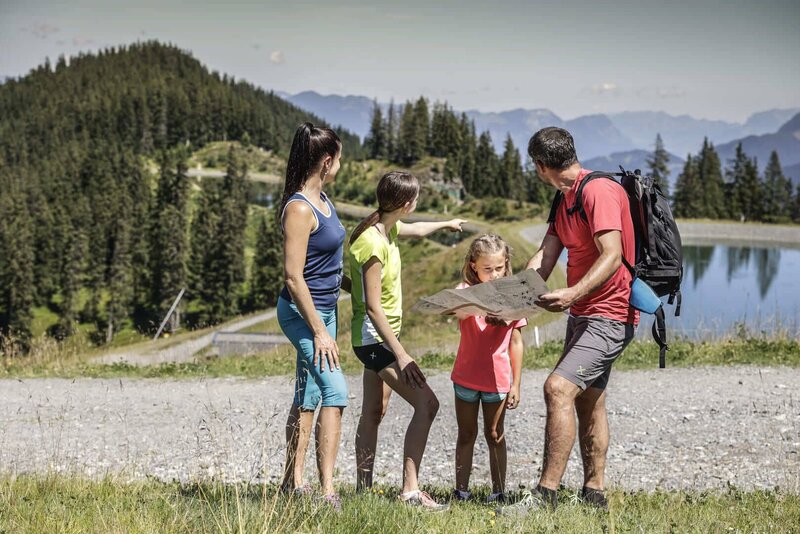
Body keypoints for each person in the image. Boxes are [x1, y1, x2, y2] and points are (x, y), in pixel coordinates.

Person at [500, 127, 637, 514]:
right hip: (583, 314)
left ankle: (545, 497)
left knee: (557, 389)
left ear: (541, 166)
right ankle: (595, 494)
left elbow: (612, 254)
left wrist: (573, 293)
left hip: (612, 313)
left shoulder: (598, 191)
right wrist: (508, 299)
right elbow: (544, 259)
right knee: (589, 401)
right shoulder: (564, 200)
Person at [349, 170, 465, 510]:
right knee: (427, 404)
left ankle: (363, 492)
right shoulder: (372, 243)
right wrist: (402, 356)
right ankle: (410, 491)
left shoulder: (387, 227)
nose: (416, 205)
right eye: (415, 199)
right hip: (375, 342)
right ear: (405, 203)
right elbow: (372, 307)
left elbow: (416, 229)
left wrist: (446, 224)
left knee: (374, 410)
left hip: (381, 338)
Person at [277, 122, 349, 510]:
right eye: (338, 159)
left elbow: (330, 258)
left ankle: (293, 483)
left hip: (325, 311)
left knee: (307, 395)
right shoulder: (301, 209)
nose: (340, 165)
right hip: (302, 315)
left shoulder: (324, 201)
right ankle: (327, 491)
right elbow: (293, 276)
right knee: (335, 391)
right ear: (325, 162)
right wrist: (320, 332)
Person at [450, 234, 526, 504]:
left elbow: (516, 342)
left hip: (498, 381)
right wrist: (482, 305)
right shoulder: (464, 290)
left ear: (506, 264)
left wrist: (516, 383)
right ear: (473, 266)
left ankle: (499, 492)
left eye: (499, 268)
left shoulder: (514, 297)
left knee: (495, 434)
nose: (494, 275)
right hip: (466, 378)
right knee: (466, 434)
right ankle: (461, 491)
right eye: (487, 269)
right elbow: (458, 310)